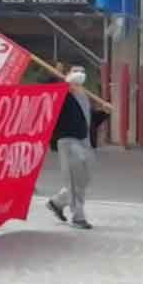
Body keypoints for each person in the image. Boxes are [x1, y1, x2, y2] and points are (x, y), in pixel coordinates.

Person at [47, 65, 108, 230]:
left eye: (82, 71)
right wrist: (62, 82)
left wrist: (104, 113)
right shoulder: (62, 94)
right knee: (74, 180)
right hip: (68, 140)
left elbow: (88, 121)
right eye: (75, 71)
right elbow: (49, 88)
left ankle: (57, 202)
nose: (79, 73)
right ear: (68, 75)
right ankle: (78, 217)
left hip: (85, 142)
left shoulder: (84, 96)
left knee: (84, 179)